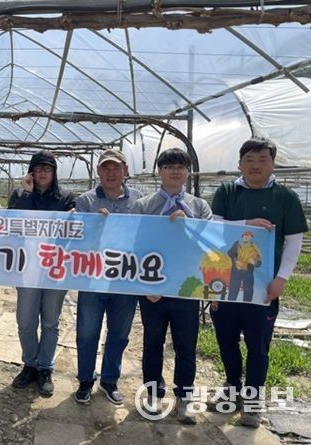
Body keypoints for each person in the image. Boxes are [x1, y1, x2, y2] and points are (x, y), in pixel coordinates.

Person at [210, 137, 308, 428]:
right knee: (226, 338)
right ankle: (231, 388)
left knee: (258, 343)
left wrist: (282, 278)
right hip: (226, 282)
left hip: (263, 285)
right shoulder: (227, 192)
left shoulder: (285, 197)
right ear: (239, 164)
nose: (255, 166)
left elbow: (293, 241)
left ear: (273, 163)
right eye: (249, 160)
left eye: (262, 159)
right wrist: (246, 225)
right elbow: (213, 228)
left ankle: (253, 400)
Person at [132, 148, 212, 424]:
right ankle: (154, 393)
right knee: (152, 341)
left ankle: (185, 397)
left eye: (180, 166)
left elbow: (209, 244)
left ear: (188, 171)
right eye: (168, 166)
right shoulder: (144, 205)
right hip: (153, 287)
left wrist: (189, 226)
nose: (174, 171)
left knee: (186, 344)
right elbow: (136, 245)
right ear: (159, 172)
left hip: (187, 286)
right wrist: (146, 284)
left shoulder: (200, 207)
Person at [73, 148, 142, 405]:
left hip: (126, 277)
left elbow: (147, 235)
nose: (111, 173)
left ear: (125, 171)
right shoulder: (86, 201)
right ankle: (85, 380)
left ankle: (110, 380)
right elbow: (77, 238)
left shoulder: (140, 200)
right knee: (87, 331)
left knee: (120, 332)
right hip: (93, 276)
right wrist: (93, 225)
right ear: (98, 171)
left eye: (116, 168)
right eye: (106, 168)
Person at [8, 149, 75, 396]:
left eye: (47, 168)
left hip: (56, 269)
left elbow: (76, 232)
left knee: (50, 321)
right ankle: (30, 364)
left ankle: (45, 367)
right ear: (31, 172)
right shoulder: (19, 195)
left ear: (54, 172)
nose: (42, 172)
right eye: (37, 168)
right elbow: (13, 224)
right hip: (27, 268)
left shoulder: (66, 198)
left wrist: (75, 218)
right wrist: (26, 193)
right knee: (25, 320)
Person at [227, 231, 262, 302]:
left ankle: (247, 305)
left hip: (248, 271)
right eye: (245, 235)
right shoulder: (237, 244)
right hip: (236, 271)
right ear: (242, 236)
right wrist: (235, 260)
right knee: (233, 290)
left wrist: (254, 263)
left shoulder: (254, 247)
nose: (246, 236)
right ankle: (230, 304)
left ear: (251, 237)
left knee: (248, 292)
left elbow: (259, 262)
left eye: (248, 235)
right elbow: (230, 253)